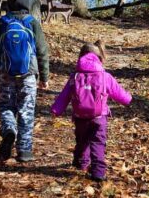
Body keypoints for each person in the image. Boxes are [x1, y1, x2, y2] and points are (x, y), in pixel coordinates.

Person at [0, 0, 49, 165]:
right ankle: (24, 151)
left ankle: (9, 131)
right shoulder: (32, 23)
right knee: (26, 111)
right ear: (29, 0)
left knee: (6, 107)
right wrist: (44, 77)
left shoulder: (2, 23)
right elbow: (42, 51)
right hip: (28, 75)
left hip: (5, 73)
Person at [51, 41, 132, 182]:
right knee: (98, 143)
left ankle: (81, 163)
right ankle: (98, 172)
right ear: (100, 57)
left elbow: (64, 96)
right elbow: (119, 93)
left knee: (82, 140)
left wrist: (56, 109)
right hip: (99, 117)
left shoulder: (75, 77)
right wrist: (128, 99)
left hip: (80, 116)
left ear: (81, 57)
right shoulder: (105, 76)